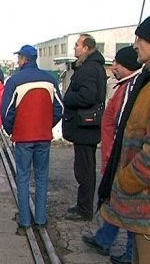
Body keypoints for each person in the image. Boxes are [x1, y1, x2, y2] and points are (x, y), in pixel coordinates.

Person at [82, 46, 142, 264]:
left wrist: (115, 158)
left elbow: (124, 126)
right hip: (117, 157)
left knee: (131, 206)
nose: (113, 67)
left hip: (123, 160)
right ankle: (104, 239)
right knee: (115, 200)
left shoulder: (132, 88)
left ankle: (130, 253)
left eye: (118, 63)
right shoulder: (125, 86)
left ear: (129, 66)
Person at [98, 16, 150, 264]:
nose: (135, 44)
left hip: (143, 203)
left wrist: (126, 180)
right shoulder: (145, 81)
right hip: (140, 209)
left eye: (139, 38)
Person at [0, 45, 63, 235]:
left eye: (19, 57)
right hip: (43, 137)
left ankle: (25, 220)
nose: (18, 61)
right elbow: (59, 108)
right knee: (42, 177)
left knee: (23, 177)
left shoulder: (15, 81)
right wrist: (46, 125)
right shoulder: (50, 80)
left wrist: (13, 130)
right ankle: (41, 218)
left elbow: (6, 111)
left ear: (24, 59)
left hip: (24, 138)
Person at [63, 34, 107, 221]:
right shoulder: (93, 67)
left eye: (77, 45)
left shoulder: (89, 69)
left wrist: (68, 98)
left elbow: (87, 96)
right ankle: (83, 205)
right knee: (85, 168)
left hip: (85, 127)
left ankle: (84, 209)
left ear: (87, 48)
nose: (75, 48)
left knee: (84, 170)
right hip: (85, 127)